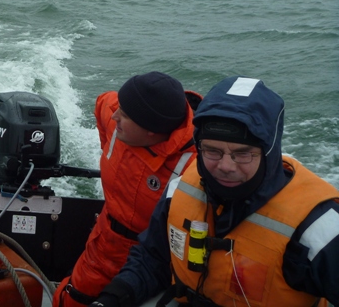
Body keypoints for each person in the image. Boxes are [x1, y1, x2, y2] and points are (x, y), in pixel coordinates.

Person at [91, 76, 339, 307]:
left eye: (243, 154)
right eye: (212, 151)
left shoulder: (319, 229)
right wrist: (114, 296)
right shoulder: (180, 189)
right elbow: (152, 259)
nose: (225, 166)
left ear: (268, 153)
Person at [54, 72, 201, 306]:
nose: (115, 116)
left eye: (124, 115)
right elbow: (103, 102)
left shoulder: (195, 167)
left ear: (151, 129)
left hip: (154, 260)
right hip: (103, 242)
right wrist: (108, 149)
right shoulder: (117, 118)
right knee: (71, 300)